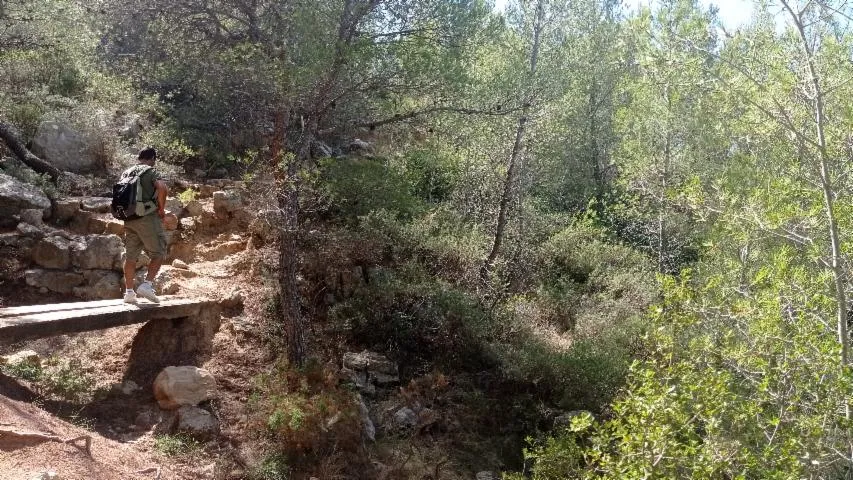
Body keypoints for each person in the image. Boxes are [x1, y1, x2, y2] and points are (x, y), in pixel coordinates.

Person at [122, 147, 168, 304]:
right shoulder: (151, 171)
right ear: (152, 158)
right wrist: (161, 209)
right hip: (147, 217)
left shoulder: (127, 172)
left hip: (129, 218)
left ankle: (129, 293)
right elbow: (162, 187)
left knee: (131, 257)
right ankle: (147, 285)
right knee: (159, 251)